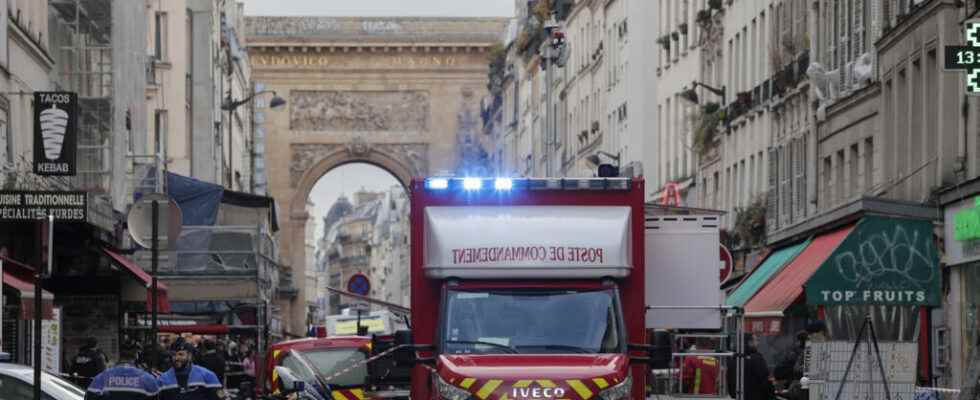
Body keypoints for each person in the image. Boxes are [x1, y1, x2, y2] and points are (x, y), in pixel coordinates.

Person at [85, 343, 160, 400]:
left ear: (119, 356)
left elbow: (90, 396)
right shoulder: (147, 378)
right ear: (136, 357)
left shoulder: (102, 377)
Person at [158, 342, 223, 400]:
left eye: (181, 354)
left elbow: (219, 397)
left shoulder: (207, 375)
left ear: (189, 356)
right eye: (174, 354)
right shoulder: (163, 378)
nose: (176, 358)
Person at [726, 334, 773, 400]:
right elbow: (765, 380)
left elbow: (730, 382)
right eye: (756, 340)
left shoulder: (733, 360)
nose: (758, 343)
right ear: (750, 343)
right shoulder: (757, 358)